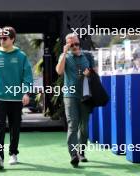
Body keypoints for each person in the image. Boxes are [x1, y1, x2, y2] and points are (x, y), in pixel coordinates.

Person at [0, 26, 33, 170]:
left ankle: (13, 153)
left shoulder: (21, 56)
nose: (2, 40)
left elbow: (27, 76)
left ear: (12, 39)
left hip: (17, 99)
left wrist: (25, 92)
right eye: (0, 38)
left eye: (5, 38)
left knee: (14, 127)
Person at [56, 33, 95, 168]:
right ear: (67, 44)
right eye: (71, 44)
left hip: (85, 95)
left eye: (76, 44)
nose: (74, 47)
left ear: (79, 43)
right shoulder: (64, 56)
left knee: (84, 126)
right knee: (72, 125)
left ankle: (81, 151)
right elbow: (59, 71)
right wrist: (64, 52)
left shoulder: (88, 56)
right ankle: (73, 154)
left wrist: (89, 73)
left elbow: (95, 74)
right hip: (70, 95)